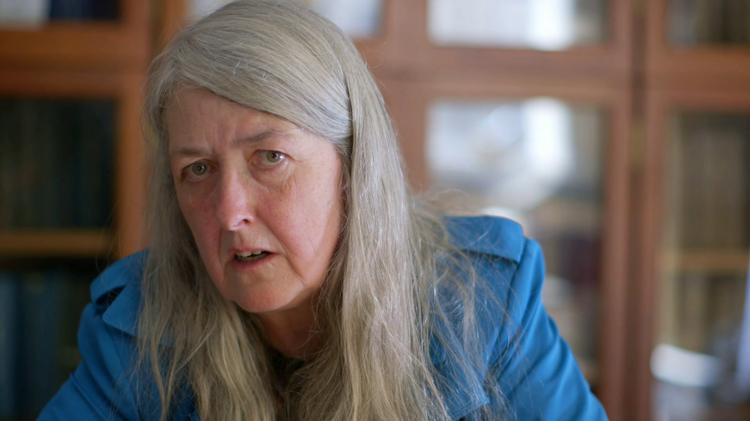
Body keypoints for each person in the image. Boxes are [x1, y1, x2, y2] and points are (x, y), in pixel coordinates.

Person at [38, 1, 608, 420]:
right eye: (199, 170)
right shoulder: (139, 329)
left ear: (354, 166)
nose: (229, 213)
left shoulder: (482, 301)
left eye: (270, 158)